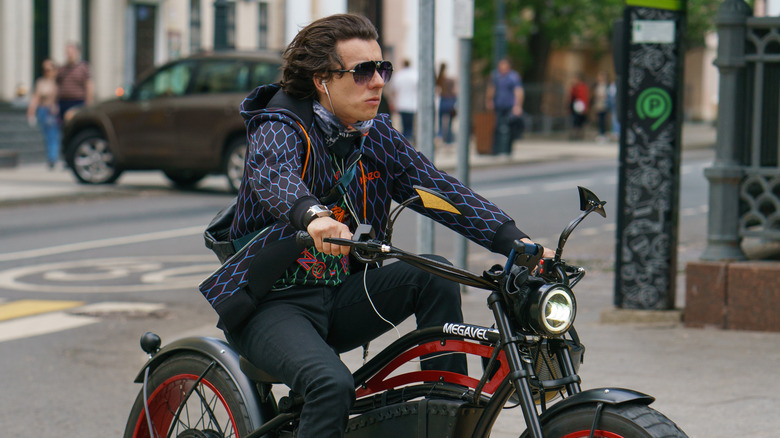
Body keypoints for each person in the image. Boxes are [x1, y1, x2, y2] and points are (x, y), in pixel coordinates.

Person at [201, 13, 553, 438]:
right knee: (332, 386)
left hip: (342, 294)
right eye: (363, 71)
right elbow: (272, 174)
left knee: (434, 275)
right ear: (321, 79)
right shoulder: (279, 123)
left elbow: (442, 192)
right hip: (271, 304)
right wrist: (313, 216)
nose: (378, 81)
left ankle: (447, 418)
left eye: (381, 68)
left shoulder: (374, 135)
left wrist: (517, 243)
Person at [26, 59, 61, 169]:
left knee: (54, 135)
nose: (47, 72)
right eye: (45, 70)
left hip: (54, 112)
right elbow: (35, 98)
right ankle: (51, 157)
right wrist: (31, 113)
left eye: (50, 70)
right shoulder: (41, 82)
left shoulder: (59, 83)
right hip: (43, 111)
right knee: (48, 135)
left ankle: (53, 158)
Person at [486, 58, 523, 156]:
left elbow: (518, 91)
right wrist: (489, 100)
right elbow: (491, 88)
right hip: (498, 104)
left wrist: (517, 105)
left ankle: (507, 149)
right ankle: (496, 149)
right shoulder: (496, 75)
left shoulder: (513, 77)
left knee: (510, 128)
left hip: (510, 105)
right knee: (496, 126)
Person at [56, 42, 94, 123]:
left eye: (71, 52)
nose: (69, 55)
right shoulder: (62, 69)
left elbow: (89, 86)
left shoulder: (83, 67)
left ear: (77, 53)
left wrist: (89, 103)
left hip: (78, 101)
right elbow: (57, 85)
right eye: (67, 52)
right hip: (63, 102)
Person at [390, 59, 417, 141]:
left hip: (402, 103)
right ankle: (410, 139)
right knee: (411, 125)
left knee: (404, 124)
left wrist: (394, 101)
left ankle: (405, 140)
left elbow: (394, 90)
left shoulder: (398, 75)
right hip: (413, 103)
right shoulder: (415, 75)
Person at [435, 62, 457, 144]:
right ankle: (449, 138)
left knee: (441, 121)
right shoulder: (450, 80)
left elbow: (437, 89)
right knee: (450, 122)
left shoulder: (440, 79)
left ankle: (440, 135)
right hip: (450, 100)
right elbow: (455, 91)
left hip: (443, 100)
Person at [569, 72, 590, 141]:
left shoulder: (583, 87)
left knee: (580, 121)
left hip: (581, 106)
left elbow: (585, 97)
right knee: (575, 120)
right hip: (575, 106)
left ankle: (580, 134)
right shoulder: (574, 87)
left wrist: (585, 108)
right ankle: (575, 134)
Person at [592, 72, 609, 142]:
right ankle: (600, 133)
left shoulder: (606, 86)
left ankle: (603, 134)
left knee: (603, 120)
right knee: (599, 120)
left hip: (604, 105)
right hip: (598, 105)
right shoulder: (597, 85)